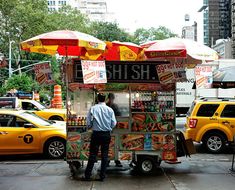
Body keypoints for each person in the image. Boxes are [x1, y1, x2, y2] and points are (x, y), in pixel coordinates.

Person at [82, 93, 117, 182]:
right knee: (105, 156)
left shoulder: (93, 108)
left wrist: (92, 126)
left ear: (97, 99)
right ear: (105, 99)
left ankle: (87, 175)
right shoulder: (110, 110)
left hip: (96, 134)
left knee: (93, 155)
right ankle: (102, 176)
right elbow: (114, 123)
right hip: (106, 135)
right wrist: (108, 127)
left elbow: (88, 123)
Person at [106, 93, 123, 167]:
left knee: (115, 144)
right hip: (108, 127)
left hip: (115, 127)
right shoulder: (106, 105)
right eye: (110, 98)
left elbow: (119, 114)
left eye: (112, 99)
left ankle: (117, 160)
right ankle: (108, 160)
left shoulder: (115, 106)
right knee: (109, 144)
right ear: (109, 98)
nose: (111, 100)